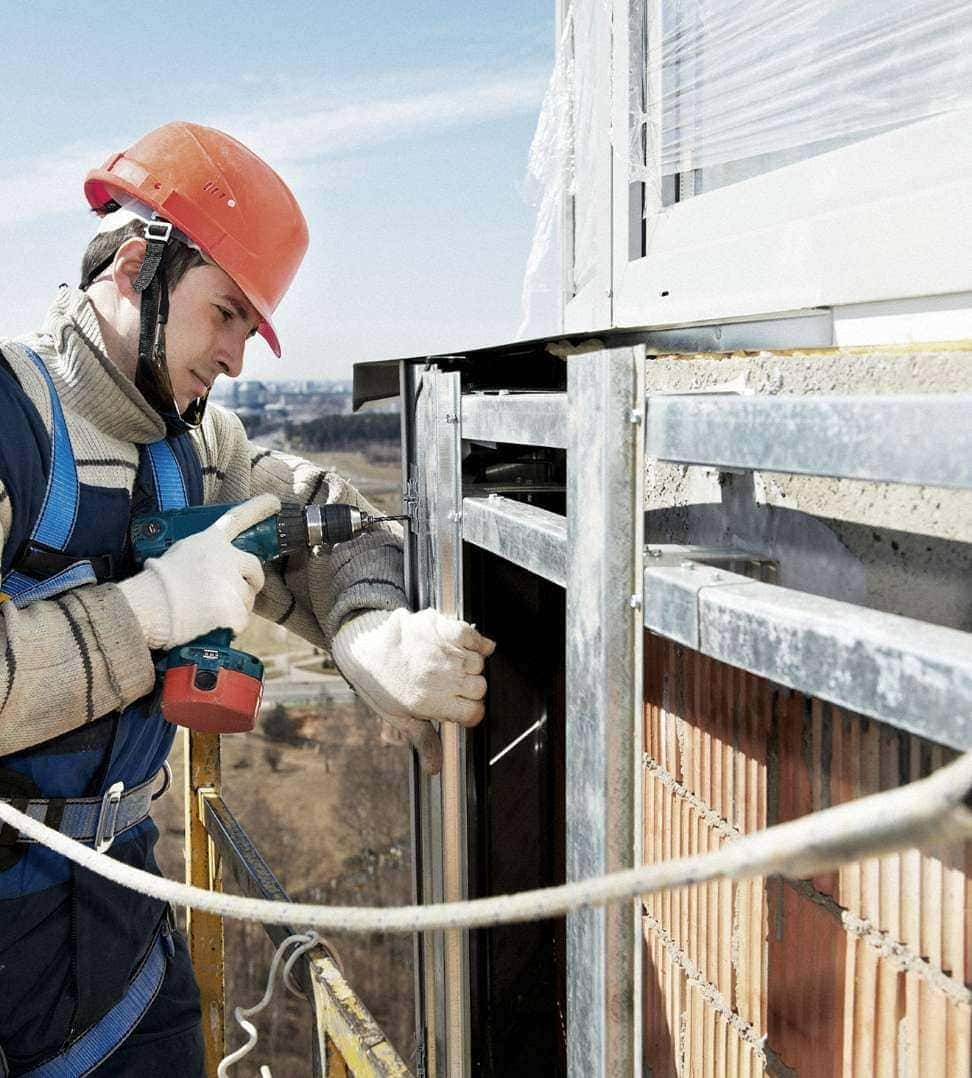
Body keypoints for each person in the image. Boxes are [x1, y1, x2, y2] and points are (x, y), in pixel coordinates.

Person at [0, 121, 494, 1076]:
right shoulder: (14, 424)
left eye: (248, 329)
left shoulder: (194, 445)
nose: (235, 358)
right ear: (140, 266)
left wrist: (368, 632)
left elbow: (325, 522)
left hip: (119, 931)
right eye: (224, 313)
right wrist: (144, 616)